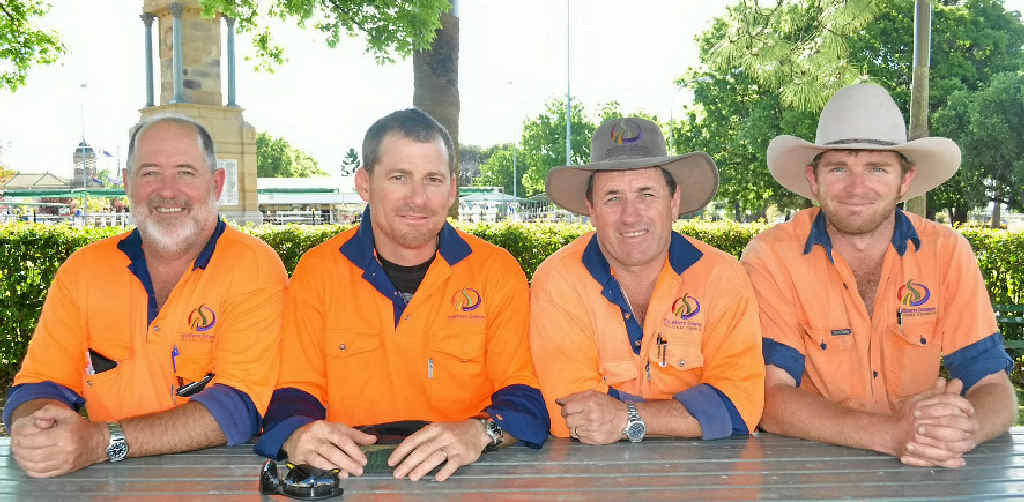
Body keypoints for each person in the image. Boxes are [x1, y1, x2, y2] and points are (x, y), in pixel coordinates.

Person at [255, 108, 548, 482]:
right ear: (365, 184)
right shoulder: (319, 271)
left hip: (468, 473)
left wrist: (481, 432)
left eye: (433, 179)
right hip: (350, 474)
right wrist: (298, 434)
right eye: (399, 177)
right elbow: (293, 391)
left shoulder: (496, 271)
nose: (418, 198)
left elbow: (523, 396)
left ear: (452, 189)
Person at [741, 83, 1016, 467]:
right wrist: (892, 434)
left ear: (904, 182)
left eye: (876, 168)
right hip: (805, 470)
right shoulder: (772, 255)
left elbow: (993, 387)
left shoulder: (946, 251)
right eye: (839, 168)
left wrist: (958, 431)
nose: (857, 187)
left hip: (922, 467)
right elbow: (770, 397)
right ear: (813, 179)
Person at [6, 113, 288, 478]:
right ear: (127, 183)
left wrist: (101, 442)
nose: (167, 190)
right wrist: (36, 429)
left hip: (225, 480)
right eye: (150, 172)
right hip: (107, 483)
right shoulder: (83, 270)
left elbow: (239, 407)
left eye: (185, 172)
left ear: (216, 184)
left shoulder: (254, 265)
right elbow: (39, 385)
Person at [530, 117, 764, 444]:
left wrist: (626, 417)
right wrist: (695, 414)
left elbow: (742, 405)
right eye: (613, 197)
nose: (630, 216)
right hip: (590, 476)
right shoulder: (558, 280)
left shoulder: (721, 276)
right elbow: (570, 414)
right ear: (591, 209)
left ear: (674, 201)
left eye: (646, 194)